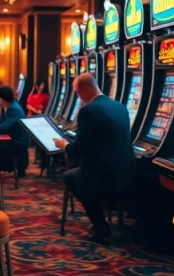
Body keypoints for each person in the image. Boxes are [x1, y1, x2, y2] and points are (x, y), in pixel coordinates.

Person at [53, 73, 136, 242]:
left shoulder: (88, 111)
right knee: (82, 173)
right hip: (128, 172)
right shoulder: (119, 106)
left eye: (77, 92)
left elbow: (78, 148)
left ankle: (100, 225)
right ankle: (102, 213)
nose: (78, 97)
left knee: (70, 177)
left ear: (84, 89)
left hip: (104, 176)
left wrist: (63, 145)